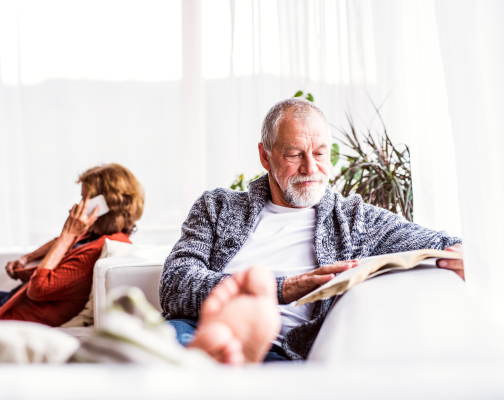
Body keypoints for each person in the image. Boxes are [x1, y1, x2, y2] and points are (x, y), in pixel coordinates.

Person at [160, 98, 465, 361]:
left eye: (320, 153)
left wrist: (465, 255)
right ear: (265, 156)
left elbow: (439, 242)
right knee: (171, 347)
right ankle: (220, 343)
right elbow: (174, 284)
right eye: (294, 155)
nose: (310, 168)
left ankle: (229, 354)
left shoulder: (355, 219)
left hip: (280, 350)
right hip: (194, 328)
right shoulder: (218, 206)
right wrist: (281, 289)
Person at [0, 163, 144, 328]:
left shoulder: (98, 250)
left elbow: (39, 288)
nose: (79, 204)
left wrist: (68, 234)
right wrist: (29, 259)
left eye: (85, 198)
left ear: (104, 204)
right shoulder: (94, 236)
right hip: (16, 302)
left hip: (19, 317)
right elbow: (61, 248)